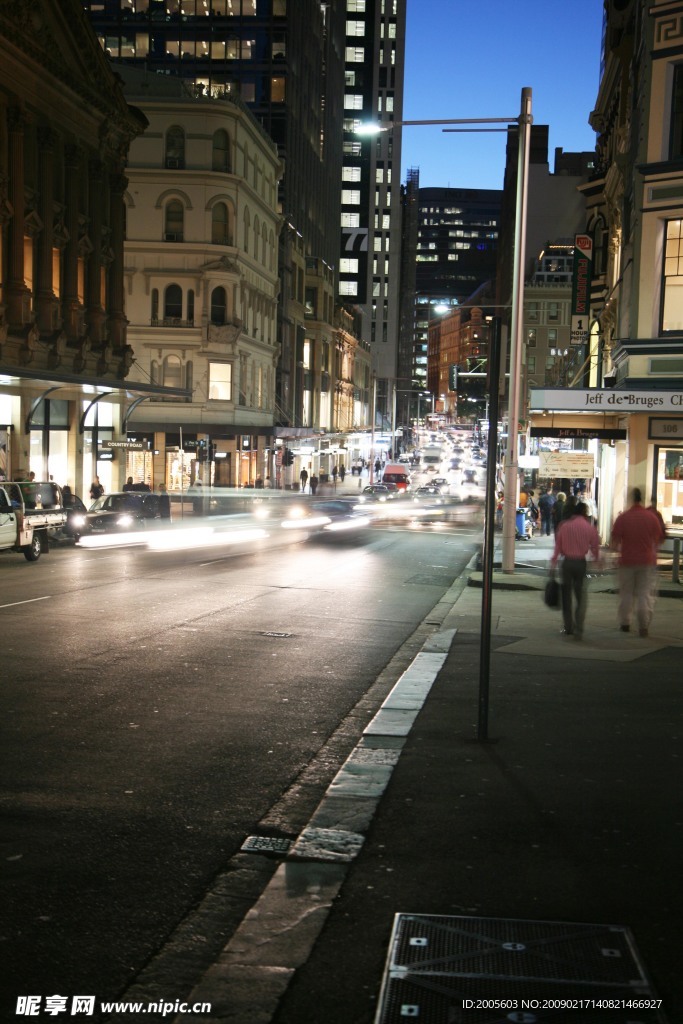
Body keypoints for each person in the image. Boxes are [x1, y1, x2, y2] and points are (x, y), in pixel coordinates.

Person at [610, 487, 666, 637]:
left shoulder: (623, 517)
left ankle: (625, 623)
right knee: (644, 594)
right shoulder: (651, 517)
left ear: (630, 499)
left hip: (627, 560)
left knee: (626, 593)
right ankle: (643, 627)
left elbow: (614, 541)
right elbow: (659, 538)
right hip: (647, 561)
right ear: (642, 499)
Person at [550, 501, 602, 640]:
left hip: (567, 563)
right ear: (584, 513)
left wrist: (553, 564)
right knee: (580, 596)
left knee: (566, 596)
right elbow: (595, 547)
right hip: (580, 563)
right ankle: (579, 627)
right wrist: (597, 561)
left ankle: (568, 627)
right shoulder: (589, 528)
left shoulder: (564, 526)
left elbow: (557, 548)